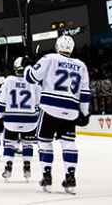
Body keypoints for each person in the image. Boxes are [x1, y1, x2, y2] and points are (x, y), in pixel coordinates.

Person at [24, 36, 90, 194]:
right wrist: (85, 113)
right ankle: (71, 177)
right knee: (69, 143)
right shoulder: (81, 65)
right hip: (71, 110)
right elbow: (85, 92)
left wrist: (27, 65)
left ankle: (46, 175)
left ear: (57, 46)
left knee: (45, 142)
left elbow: (31, 78)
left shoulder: (50, 58)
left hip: (49, 108)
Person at [0, 57, 41, 182]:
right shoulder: (34, 83)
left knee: (9, 144)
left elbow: (2, 100)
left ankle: (8, 167)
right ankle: (27, 167)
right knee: (27, 144)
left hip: (12, 119)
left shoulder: (9, 80)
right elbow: (38, 104)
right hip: (30, 120)